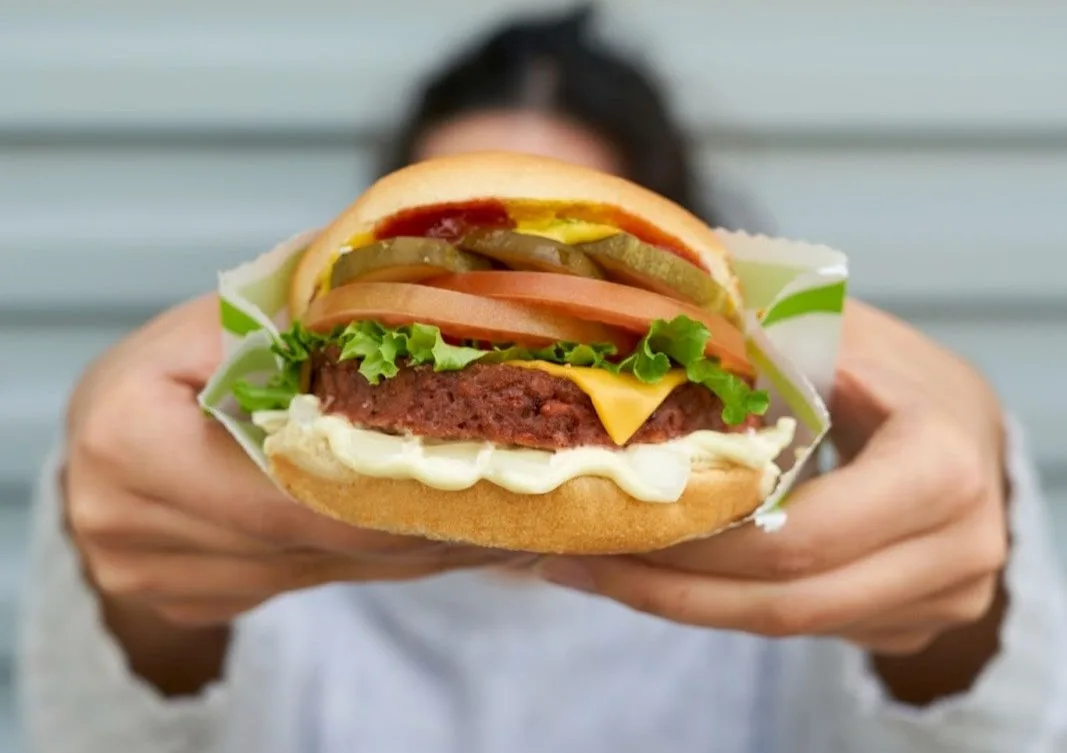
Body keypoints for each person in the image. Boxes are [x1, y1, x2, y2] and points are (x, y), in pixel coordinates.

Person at [16, 7, 1067, 752]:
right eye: (462, 257)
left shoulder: (782, 565)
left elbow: (979, 738)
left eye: (557, 266)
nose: (504, 295)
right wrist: (125, 586)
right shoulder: (268, 560)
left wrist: (958, 595)